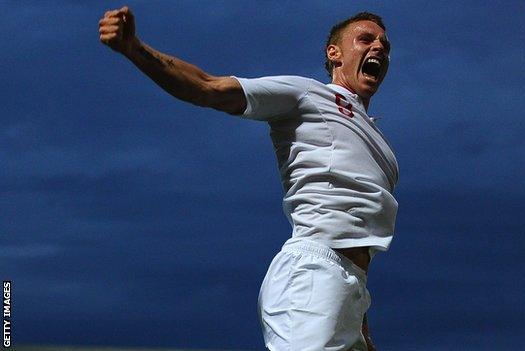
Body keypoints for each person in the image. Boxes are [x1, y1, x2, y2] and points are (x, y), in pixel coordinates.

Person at [99, 6, 398, 351]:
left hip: (352, 289)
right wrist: (134, 47)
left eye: (385, 45)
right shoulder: (307, 94)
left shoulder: (381, 145)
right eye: (365, 39)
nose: (378, 47)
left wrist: (361, 321)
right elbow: (208, 87)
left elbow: (357, 229)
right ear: (334, 53)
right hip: (314, 273)